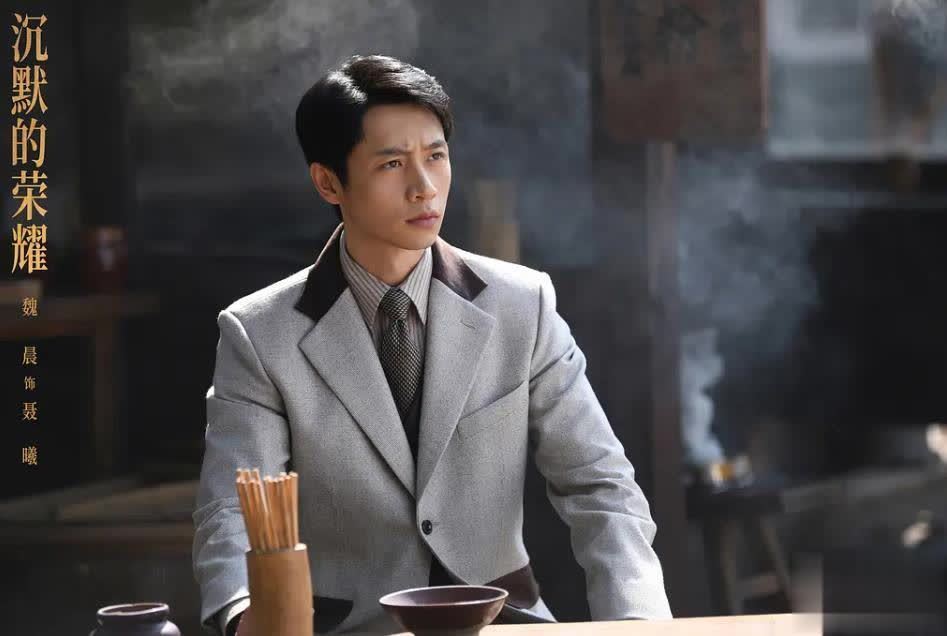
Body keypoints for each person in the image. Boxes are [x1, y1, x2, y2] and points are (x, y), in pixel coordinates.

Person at [192, 53, 671, 636]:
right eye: (392, 163)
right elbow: (232, 506)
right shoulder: (261, 332)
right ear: (328, 182)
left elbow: (600, 484)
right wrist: (244, 617)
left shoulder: (522, 304)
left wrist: (641, 625)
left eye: (436, 156)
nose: (424, 187)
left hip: (503, 624)